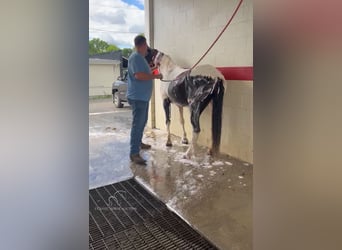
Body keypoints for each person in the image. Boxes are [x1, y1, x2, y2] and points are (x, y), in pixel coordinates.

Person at [127, 35, 162, 165]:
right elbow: (139, 75)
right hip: (137, 97)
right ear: (142, 45)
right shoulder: (136, 57)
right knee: (137, 124)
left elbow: (145, 71)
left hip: (142, 97)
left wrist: (154, 68)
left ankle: (138, 143)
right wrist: (156, 76)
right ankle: (134, 153)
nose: (147, 48)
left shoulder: (139, 58)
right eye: (146, 45)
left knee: (142, 122)